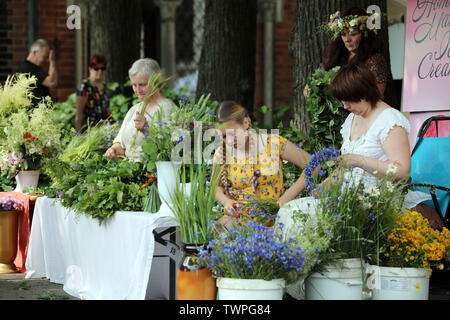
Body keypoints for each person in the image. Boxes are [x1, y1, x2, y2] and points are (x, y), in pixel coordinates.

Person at [212, 101, 312, 228]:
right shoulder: (222, 153)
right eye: (225, 136)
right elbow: (215, 187)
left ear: (246, 122)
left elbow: (313, 164)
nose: (230, 141)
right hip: (238, 222)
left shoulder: (272, 143)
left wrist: (287, 197)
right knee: (215, 231)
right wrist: (226, 201)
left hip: (274, 219)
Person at [105, 58, 176, 161]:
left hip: (152, 173)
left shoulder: (168, 108)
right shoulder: (134, 110)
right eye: (134, 85)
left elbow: (168, 147)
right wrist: (114, 150)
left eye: (142, 85)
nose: (137, 90)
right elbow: (121, 143)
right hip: (129, 170)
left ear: (156, 81)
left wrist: (146, 129)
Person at [75, 55, 111, 133]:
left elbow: (107, 109)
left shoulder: (104, 86)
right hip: (89, 130)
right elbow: (79, 113)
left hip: (105, 129)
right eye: (96, 68)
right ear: (90, 69)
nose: (100, 71)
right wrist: (78, 134)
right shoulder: (84, 86)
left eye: (103, 68)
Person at [18, 39, 58, 108]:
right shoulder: (28, 68)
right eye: (45, 57)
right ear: (34, 53)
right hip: (35, 114)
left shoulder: (31, 67)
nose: (47, 60)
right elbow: (52, 82)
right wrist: (52, 61)